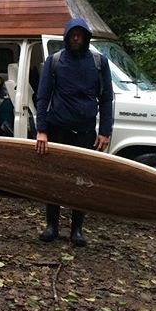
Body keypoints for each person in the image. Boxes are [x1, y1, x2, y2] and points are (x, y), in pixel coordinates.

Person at [34, 18, 114, 247]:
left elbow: (106, 98)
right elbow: (42, 97)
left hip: (85, 132)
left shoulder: (99, 62)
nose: (76, 38)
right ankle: (52, 226)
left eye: (80, 34)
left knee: (82, 180)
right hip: (57, 130)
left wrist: (105, 131)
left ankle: (77, 229)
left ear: (86, 37)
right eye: (72, 34)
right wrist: (42, 130)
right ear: (67, 37)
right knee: (54, 179)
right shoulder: (55, 61)